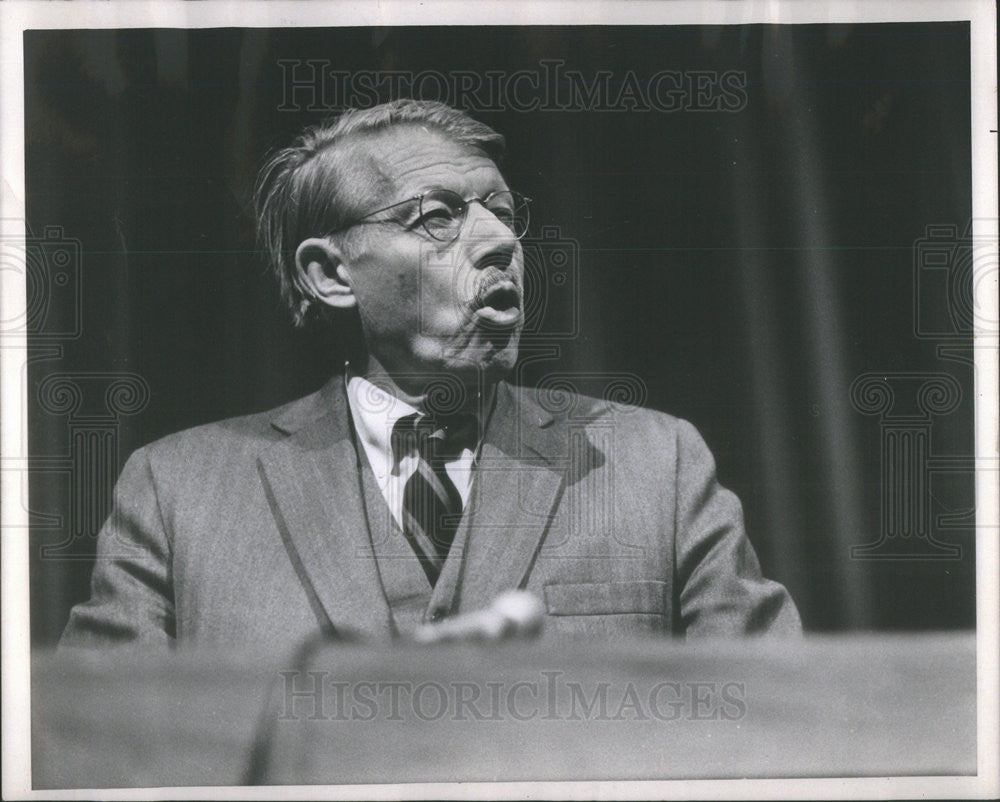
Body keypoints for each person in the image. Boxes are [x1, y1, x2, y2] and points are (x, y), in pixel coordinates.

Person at [60, 99, 800, 651]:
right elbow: (100, 751)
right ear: (330, 274)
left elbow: (779, 723)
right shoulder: (179, 492)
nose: (501, 241)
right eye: (437, 217)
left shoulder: (654, 463)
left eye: (503, 212)